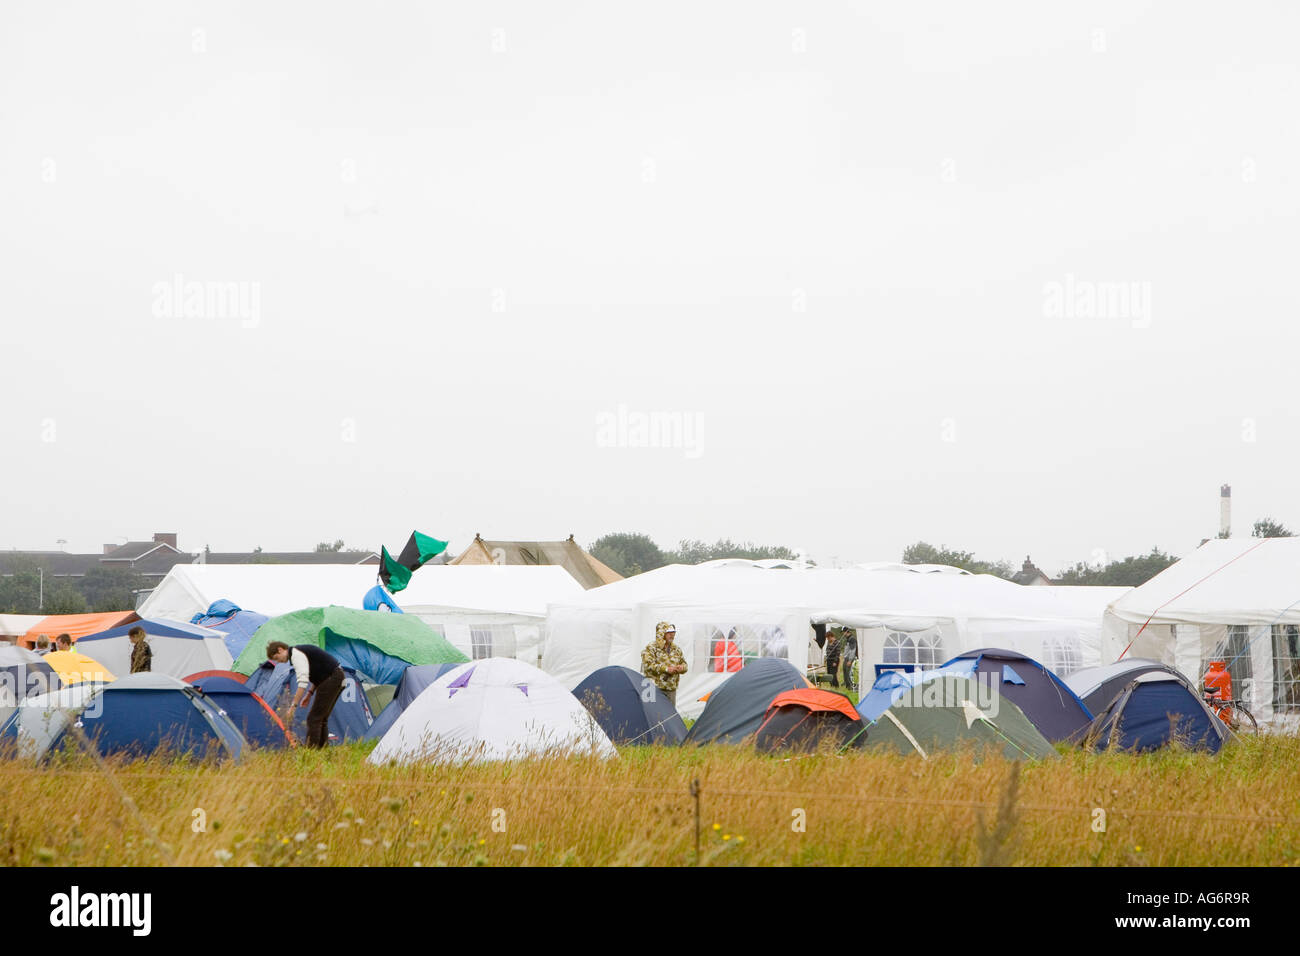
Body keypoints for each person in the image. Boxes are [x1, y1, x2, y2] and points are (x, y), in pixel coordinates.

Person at [266, 640, 345, 748]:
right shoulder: (300, 652)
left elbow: (303, 682)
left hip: (333, 678)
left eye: (276, 658)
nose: (278, 661)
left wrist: (293, 706)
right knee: (321, 718)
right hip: (336, 676)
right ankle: (322, 749)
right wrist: (309, 694)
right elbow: (319, 675)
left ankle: (311, 751)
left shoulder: (296, 654)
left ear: (280, 649)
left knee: (313, 719)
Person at [641, 621, 688, 708]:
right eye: (669, 633)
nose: (672, 635)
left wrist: (682, 668)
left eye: (673, 632)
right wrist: (666, 669)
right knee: (653, 715)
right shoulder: (651, 648)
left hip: (670, 688)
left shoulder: (676, 649)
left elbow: (684, 664)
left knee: (668, 716)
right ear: (661, 633)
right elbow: (648, 665)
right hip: (653, 688)